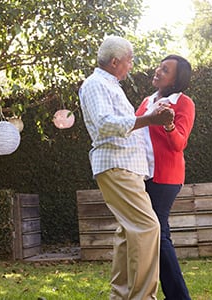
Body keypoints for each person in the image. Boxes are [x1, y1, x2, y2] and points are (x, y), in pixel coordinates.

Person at [79, 36, 175, 300]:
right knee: (148, 226)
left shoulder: (109, 84)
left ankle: (120, 295)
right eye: (129, 60)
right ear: (115, 62)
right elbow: (105, 123)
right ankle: (143, 297)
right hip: (116, 163)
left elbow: (122, 123)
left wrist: (150, 117)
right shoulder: (96, 84)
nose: (131, 65)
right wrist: (150, 119)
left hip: (125, 166)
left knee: (126, 232)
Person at [136, 54, 195, 300]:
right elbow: (133, 127)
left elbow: (179, 143)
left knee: (159, 234)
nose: (158, 71)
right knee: (151, 234)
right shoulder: (147, 101)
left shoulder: (183, 103)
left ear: (175, 80)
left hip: (165, 178)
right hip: (141, 174)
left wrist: (168, 124)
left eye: (166, 70)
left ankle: (178, 296)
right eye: (159, 66)